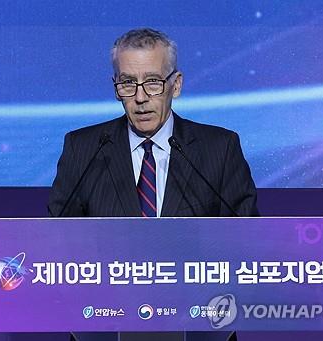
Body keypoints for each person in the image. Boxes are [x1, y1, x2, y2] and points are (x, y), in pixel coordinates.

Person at [48, 28, 258, 341]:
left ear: (176, 85)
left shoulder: (219, 147)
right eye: (128, 83)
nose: (141, 96)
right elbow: (57, 240)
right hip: (104, 324)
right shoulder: (84, 148)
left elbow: (245, 237)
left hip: (199, 324)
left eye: (153, 82)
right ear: (115, 86)